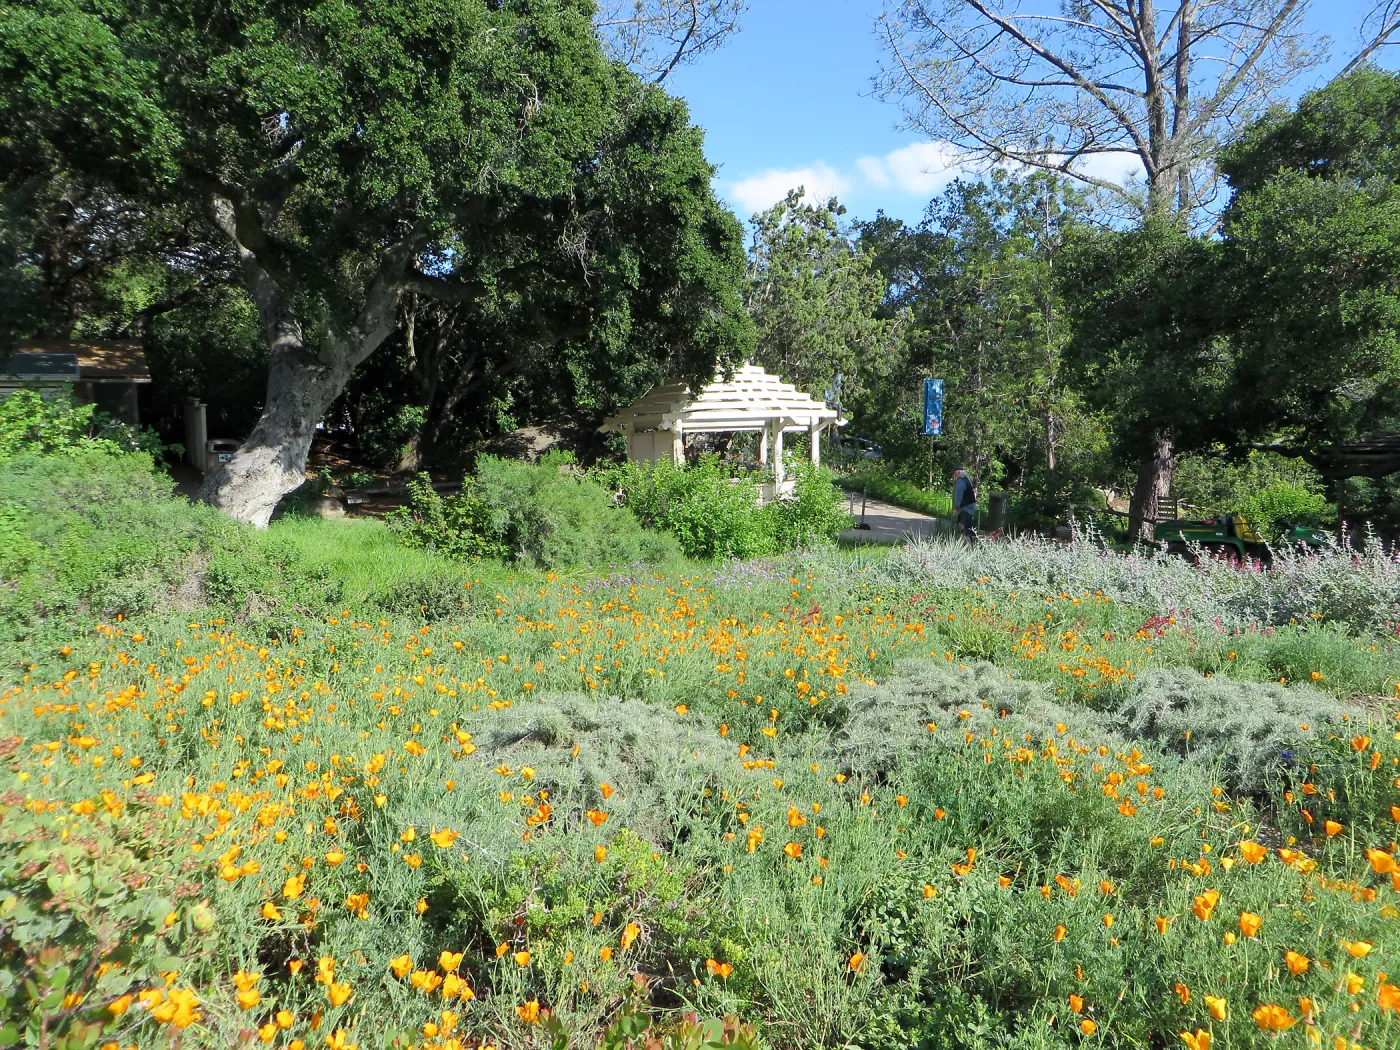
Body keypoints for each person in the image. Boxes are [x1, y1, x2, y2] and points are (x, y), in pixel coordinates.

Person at [952, 468, 977, 542]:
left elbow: (958, 496)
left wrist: (955, 508)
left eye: (954, 473)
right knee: (969, 528)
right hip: (969, 508)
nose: (953, 475)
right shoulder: (966, 479)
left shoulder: (960, 481)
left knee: (966, 529)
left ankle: (968, 546)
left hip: (964, 508)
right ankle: (972, 544)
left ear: (959, 473)